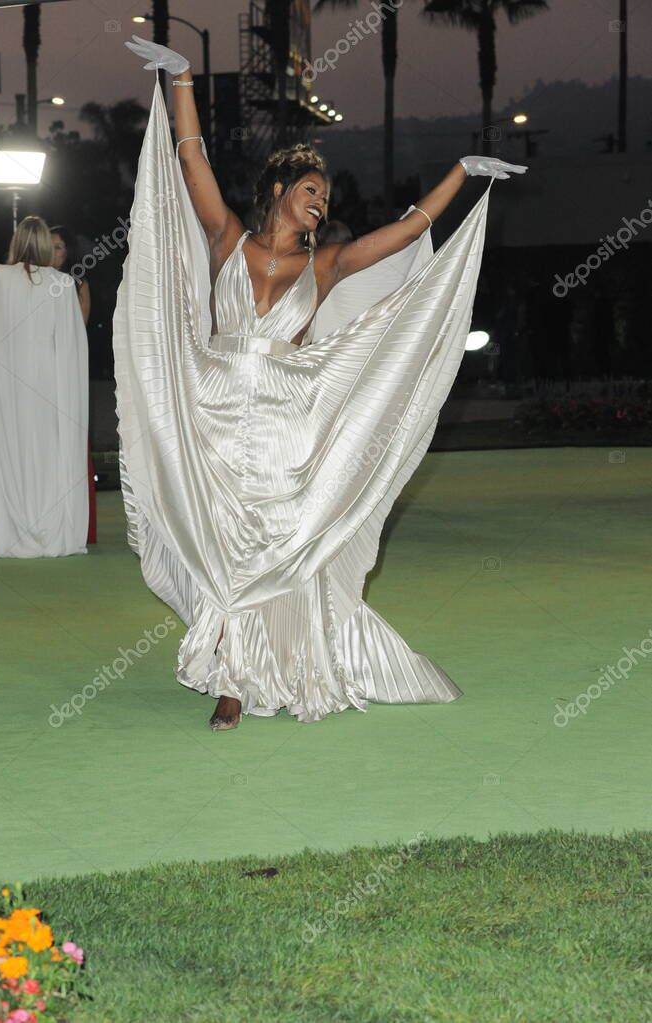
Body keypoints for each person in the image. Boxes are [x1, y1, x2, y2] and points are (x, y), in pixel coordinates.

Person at [117, 37, 527, 731]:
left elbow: (404, 233)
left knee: (279, 540)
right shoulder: (228, 241)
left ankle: (279, 664)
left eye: (325, 196)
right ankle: (230, 677)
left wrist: (459, 172)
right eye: (310, 190)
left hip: (285, 418)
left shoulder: (327, 263)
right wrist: (182, 77)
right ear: (278, 191)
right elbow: (191, 161)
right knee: (222, 540)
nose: (320, 202)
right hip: (214, 413)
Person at [0, 215, 89, 559]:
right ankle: (48, 526)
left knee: (12, 450)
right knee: (47, 452)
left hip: (11, 384)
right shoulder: (62, 284)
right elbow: (70, 345)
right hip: (49, 384)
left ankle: (12, 529)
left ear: (16, 241)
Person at [50, 224, 97, 544]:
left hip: (65, 370)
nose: (55, 253)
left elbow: (77, 330)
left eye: (60, 247)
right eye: (49, 246)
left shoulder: (76, 284)